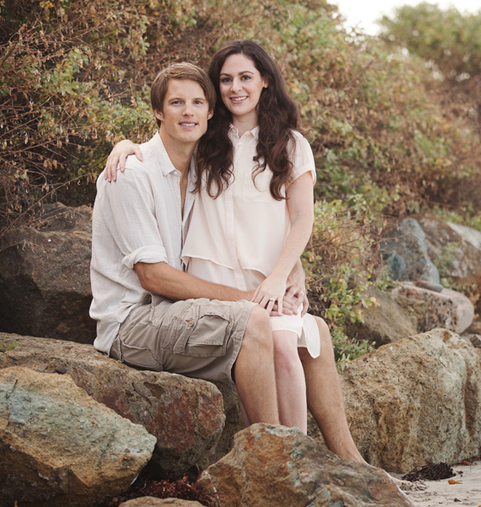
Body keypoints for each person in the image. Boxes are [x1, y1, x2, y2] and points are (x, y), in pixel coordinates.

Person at [95, 61, 366, 464]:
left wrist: (292, 268)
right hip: (133, 321)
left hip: (175, 312)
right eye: (176, 103)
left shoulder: (198, 161)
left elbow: (280, 216)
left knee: (316, 332)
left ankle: (350, 463)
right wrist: (246, 298)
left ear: (209, 112)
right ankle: (277, 463)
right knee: (255, 321)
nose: (188, 112)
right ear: (157, 111)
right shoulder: (136, 173)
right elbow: (152, 276)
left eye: (196, 103)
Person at [107, 40, 319, 434]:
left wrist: (288, 272)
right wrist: (125, 146)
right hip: (210, 280)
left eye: (245, 77)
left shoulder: (290, 144)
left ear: (266, 81)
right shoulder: (210, 141)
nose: (235, 87)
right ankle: (277, 455)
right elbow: (166, 143)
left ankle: (299, 457)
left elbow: (301, 219)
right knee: (262, 344)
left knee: (287, 350)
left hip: (264, 280)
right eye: (225, 79)